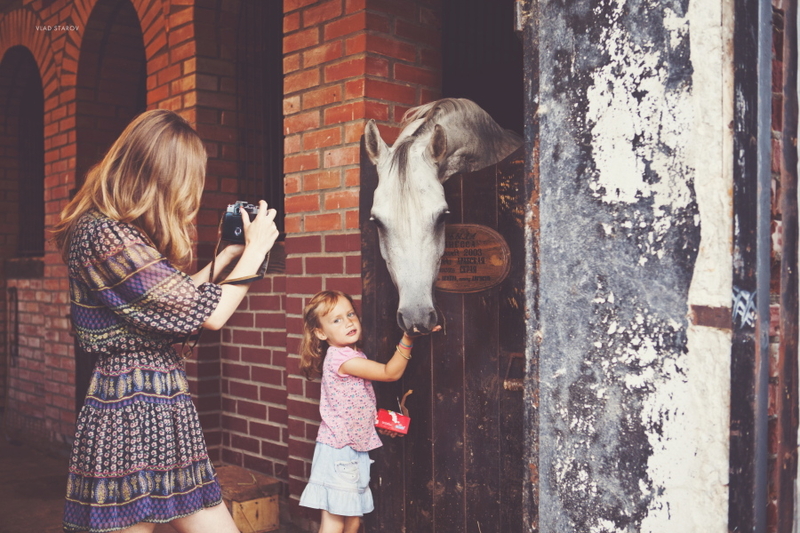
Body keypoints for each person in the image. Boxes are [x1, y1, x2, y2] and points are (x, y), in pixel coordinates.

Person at [52, 109, 279, 533]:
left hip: (161, 406)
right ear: (158, 175)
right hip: (130, 409)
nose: (187, 195)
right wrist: (255, 252)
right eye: (186, 181)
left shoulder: (116, 232)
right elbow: (208, 315)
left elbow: (175, 298)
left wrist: (228, 257)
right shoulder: (103, 234)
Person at [297, 290, 440, 533]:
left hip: (353, 449)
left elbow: (353, 404)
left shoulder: (353, 354)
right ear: (321, 333)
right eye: (336, 320)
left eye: (350, 314)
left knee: (353, 522)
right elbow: (390, 373)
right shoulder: (341, 359)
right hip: (339, 452)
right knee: (333, 524)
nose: (348, 322)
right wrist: (408, 338)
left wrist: (379, 423)